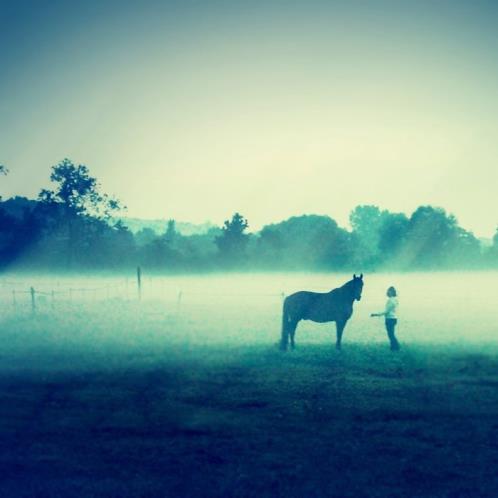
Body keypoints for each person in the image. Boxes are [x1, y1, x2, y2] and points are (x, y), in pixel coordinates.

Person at [371, 286, 400, 351]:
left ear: (391, 292)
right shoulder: (395, 300)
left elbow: (386, 311)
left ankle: (395, 347)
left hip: (390, 319)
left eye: (388, 291)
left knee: (391, 334)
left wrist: (376, 314)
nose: (386, 292)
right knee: (391, 334)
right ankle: (394, 347)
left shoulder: (390, 300)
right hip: (394, 318)